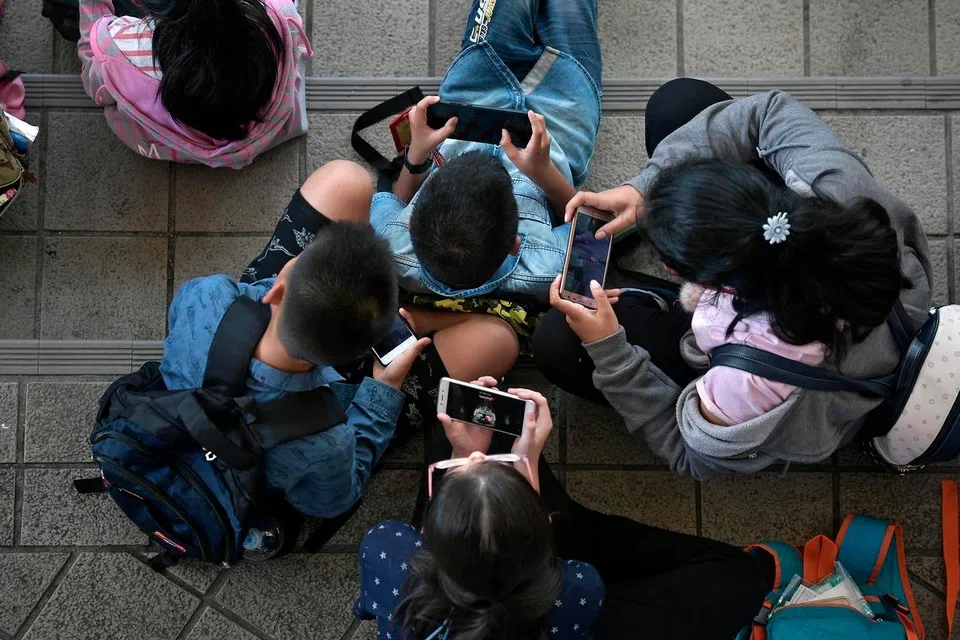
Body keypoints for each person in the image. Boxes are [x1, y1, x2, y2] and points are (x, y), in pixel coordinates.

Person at [533, 79, 933, 480]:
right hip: (873, 320)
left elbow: (688, 453)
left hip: (814, 387)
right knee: (681, 103)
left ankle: (652, 306)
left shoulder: (747, 381)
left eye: (672, 261)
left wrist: (610, 349)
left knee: (559, 339)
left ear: (711, 284)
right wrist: (643, 189)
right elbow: (768, 111)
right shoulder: (842, 195)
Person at [161, 160, 520, 522]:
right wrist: (385, 388)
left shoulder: (206, 297)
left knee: (344, 179)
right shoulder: (328, 441)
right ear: (356, 358)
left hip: (226, 357)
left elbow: (186, 316)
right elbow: (335, 500)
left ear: (279, 288)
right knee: (500, 340)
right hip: (331, 408)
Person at [355, 378, 771, 639]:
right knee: (739, 575)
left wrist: (467, 453)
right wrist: (528, 459)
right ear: (543, 533)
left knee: (464, 425)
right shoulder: (577, 588)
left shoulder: (386, 550)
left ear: (428, 539)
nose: (477, 460)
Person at [370, 0, 603, 303]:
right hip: (562, 122)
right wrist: (543, 173)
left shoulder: (389, 247)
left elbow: (393, 200)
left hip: (474, 93)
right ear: (516, 245)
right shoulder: (550, 269)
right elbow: (594, 225)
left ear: (411, 224)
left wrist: (417, 155)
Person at [78, 0, 312, 168]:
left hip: (162, 138)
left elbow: (92, 74)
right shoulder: (277, 12)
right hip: (270, 123)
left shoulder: (116, 49)